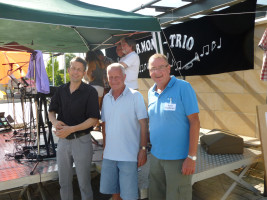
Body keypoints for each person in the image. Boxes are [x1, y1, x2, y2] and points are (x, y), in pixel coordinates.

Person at [147, 54, 200, 200]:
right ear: (149, 72)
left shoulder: (183, 87)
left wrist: (191, 157)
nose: (157, 72)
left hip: (178, 159)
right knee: (156, 196)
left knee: (177, 196)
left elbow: (195, 122)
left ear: (168, 68)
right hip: (156, 157)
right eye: (153, 69)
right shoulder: (150, 92)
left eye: (161, 67)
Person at [48, 57, 100, 200]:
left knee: (84, 183)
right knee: (64, 182)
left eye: (79, 69)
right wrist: (55, 122)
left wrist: (71, 129)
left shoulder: (90, 92)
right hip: (63, 142)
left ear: (84, 73)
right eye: (73, 68)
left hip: (82, 141)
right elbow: (51, 111)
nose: (75, 72)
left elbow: (94, 119)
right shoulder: (61, 90)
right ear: (69, 70)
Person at [100, 63, 148, 200]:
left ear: (124, 77)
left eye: (117, 77)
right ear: (107, 78)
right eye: (111, 77)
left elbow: (143, 123)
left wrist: (143, 149)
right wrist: (105, 148)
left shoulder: (135, 96)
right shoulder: (106, 98)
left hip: (129, 155)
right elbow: (104, 125)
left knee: (129, 196)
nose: (114, 80)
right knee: (115, 193)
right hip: (110, 155)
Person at [85, 50, 106, 131]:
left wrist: (90, 79)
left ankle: (95, 125)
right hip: (101, 87)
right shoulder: (100, 63)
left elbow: (88, 74)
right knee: (97, 107)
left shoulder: (91, 63)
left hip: (93, 86)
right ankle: (97, 125)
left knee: (92, 107)